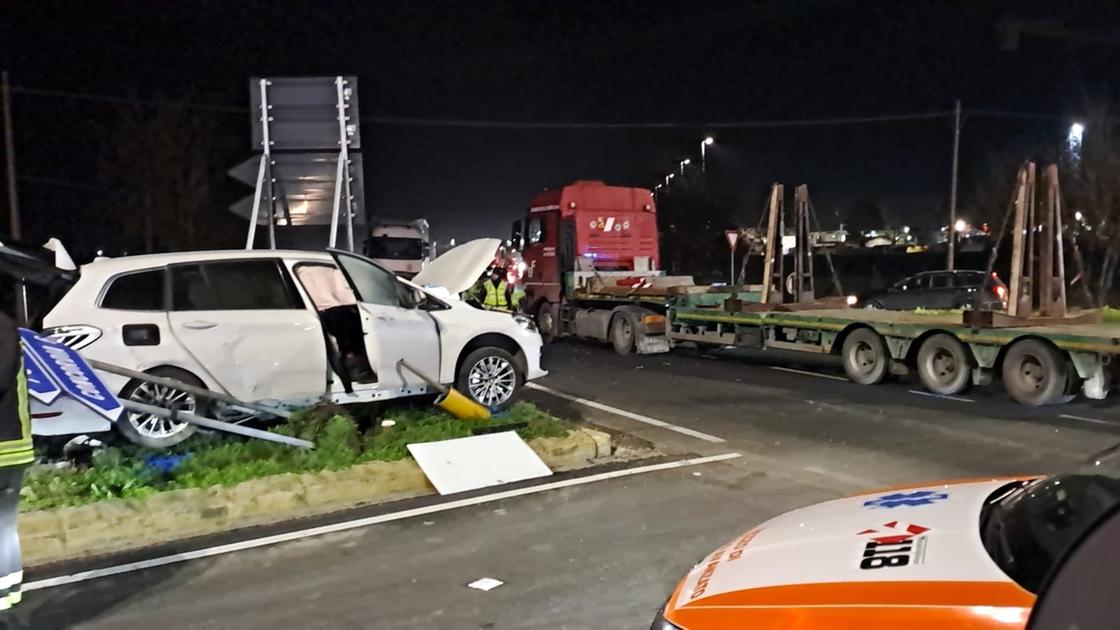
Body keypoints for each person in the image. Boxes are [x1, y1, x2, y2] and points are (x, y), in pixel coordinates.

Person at [0, 312, 32, 611]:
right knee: (3, 528)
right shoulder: (6, 326)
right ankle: (6, 593)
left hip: (4, 447)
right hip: (11, 445)